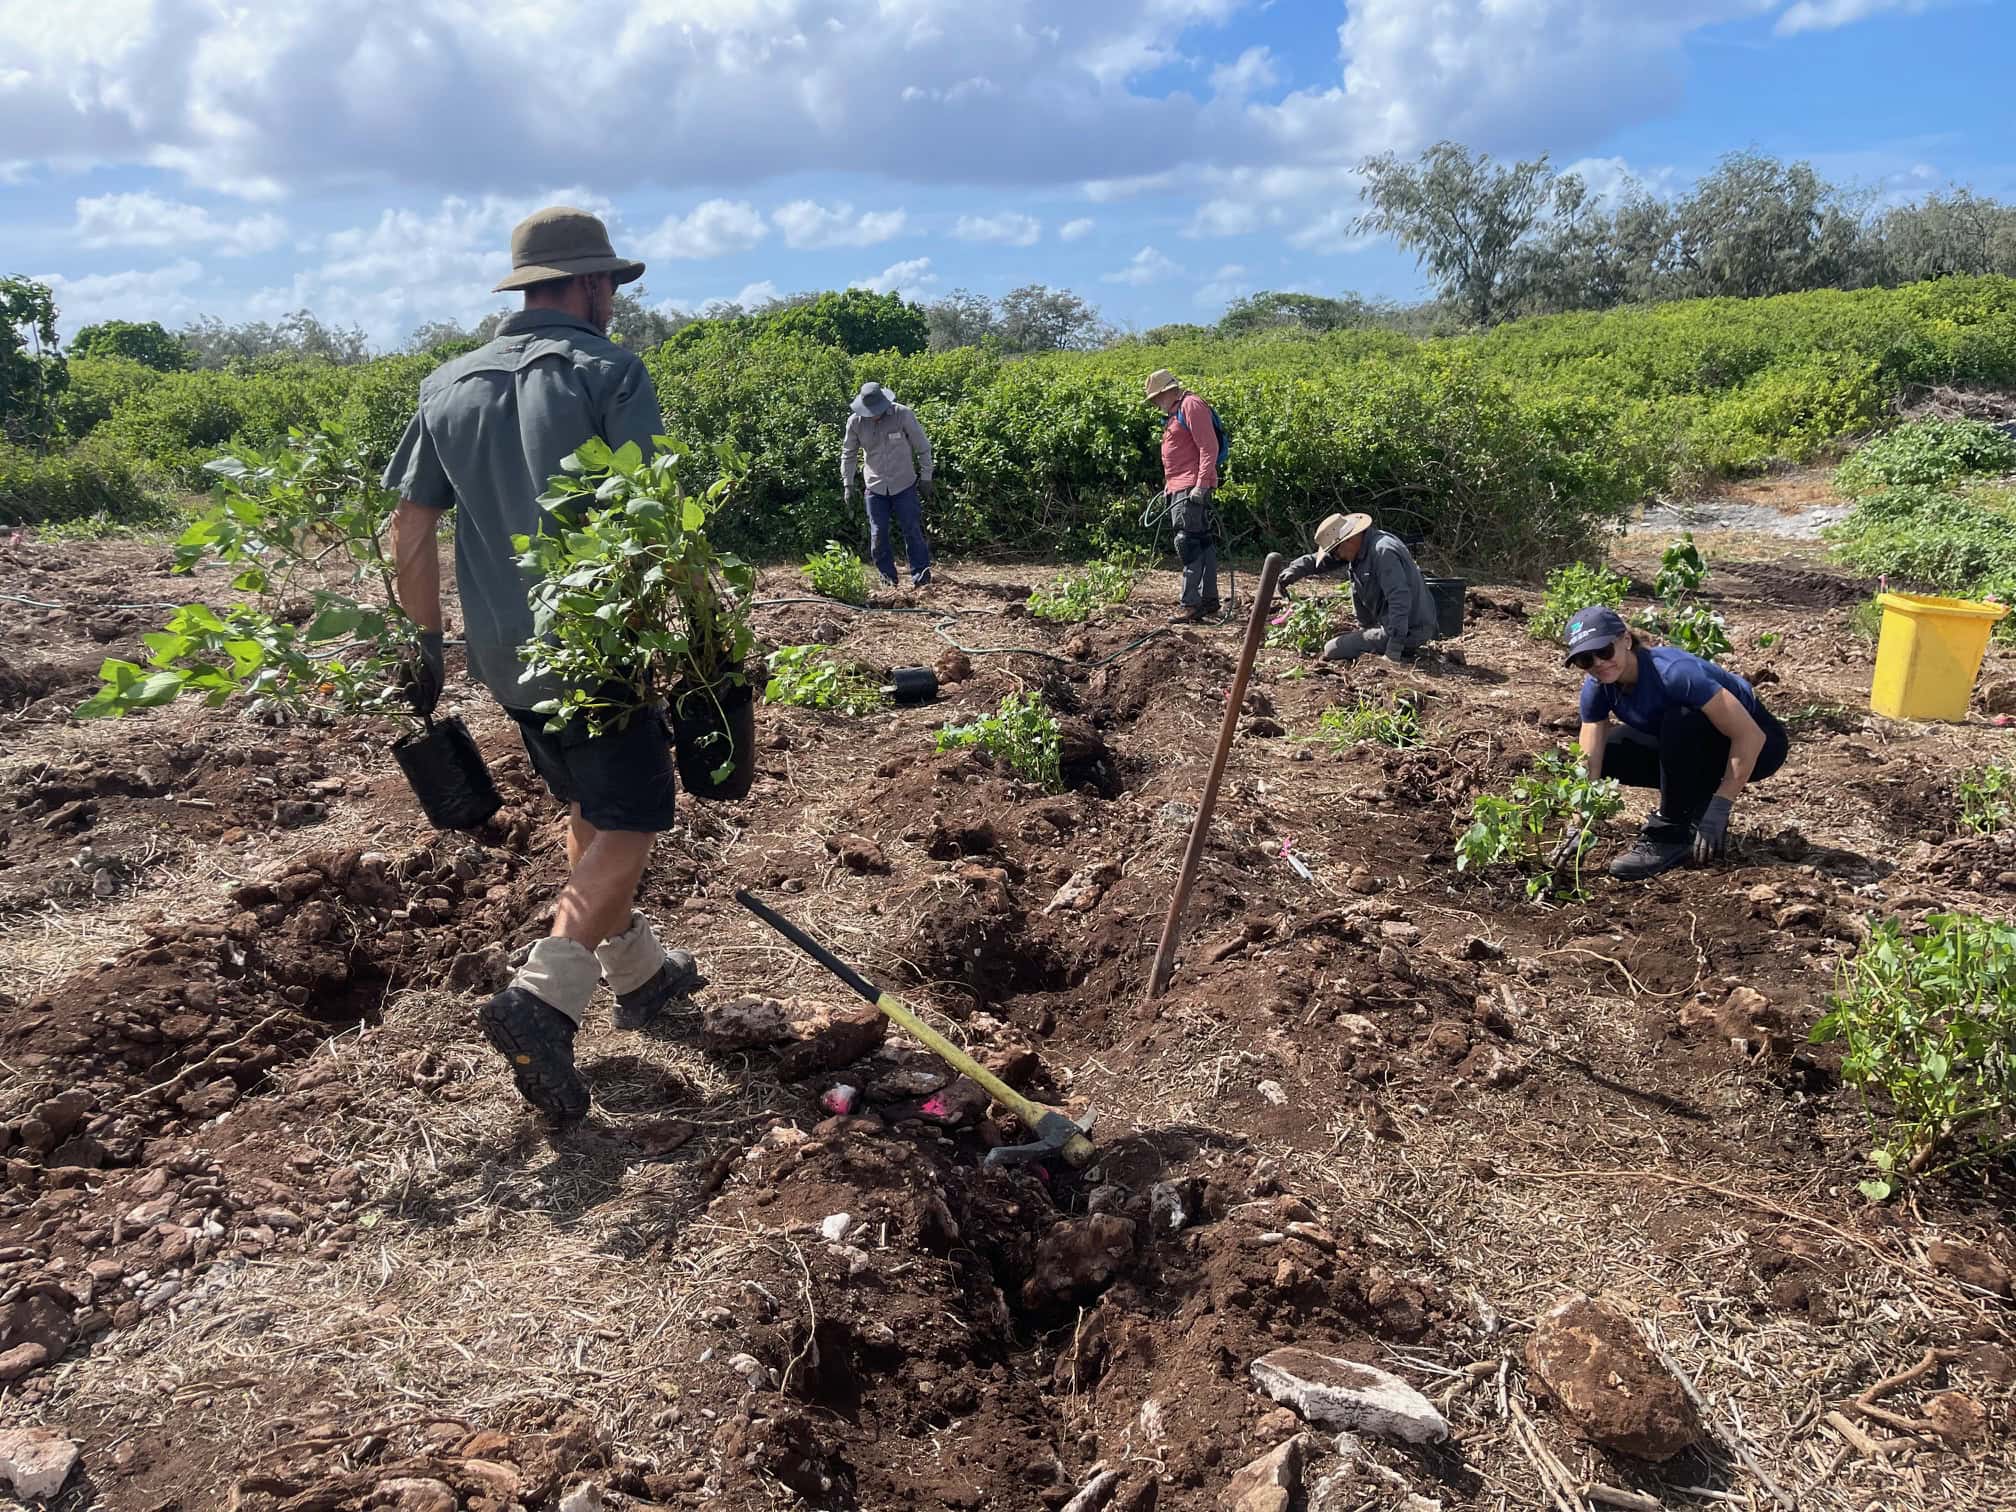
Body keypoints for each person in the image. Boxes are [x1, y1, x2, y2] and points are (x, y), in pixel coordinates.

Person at [384, 206, 704, 1123]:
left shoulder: (446, 385)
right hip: (597, 644)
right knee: (634, 816)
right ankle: (543, 998)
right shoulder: (610, 373)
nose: (615, 301)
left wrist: (423, 646)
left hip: (504, 655)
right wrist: (700, 639)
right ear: (592, 283)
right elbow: (650, 518)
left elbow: (410, 527)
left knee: (588, 805)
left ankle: (639, 972)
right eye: (611, 286)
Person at [1563, 605, 1791, 880]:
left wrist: (1721, 804)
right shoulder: (1599, 686)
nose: (1598, 663)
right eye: (1585, 660)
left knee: (1680, 720)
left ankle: (1670, 834)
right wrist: (1579, 822)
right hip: (1691, 742)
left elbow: (1750, 735)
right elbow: (1590, 756)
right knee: (1611, 751)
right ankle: (1691, 806)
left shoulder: (1674, 673)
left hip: (1759, 745)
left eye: (1604, 651)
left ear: (1625, 640)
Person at [1276, 512, 1439, 663]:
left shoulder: (1383, 552)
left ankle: (1401, 649)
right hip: (1398, 626)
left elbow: (1400, 600)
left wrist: (1393, 651)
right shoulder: (1361, 546)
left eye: (1335, 551)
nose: (1336, 557)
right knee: (1346, 641)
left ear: (1349, 539)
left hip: (1409, 631)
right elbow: (1322, 562)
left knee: (1332, 649)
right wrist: (1294, 570)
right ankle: (1373, 636)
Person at [1144, 368, 1221, 623]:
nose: (1156, 403)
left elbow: (1208, 446)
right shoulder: (1175, 411)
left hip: (1190, 486)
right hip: (1179, 485)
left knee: (1188, 541)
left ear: (1167, 392)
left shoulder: (1191, 405)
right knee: (1201, 540)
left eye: (1156, 398)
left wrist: (1201, 485)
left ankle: (1191, 604)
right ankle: (1208, 600)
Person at [840, 381, 934, 589]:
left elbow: (923, 447)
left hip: (904, 484)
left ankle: (922, 577)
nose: (874, 415)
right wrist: (848, 484)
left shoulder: (903, 414)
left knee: (912, 530)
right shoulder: (855, 422)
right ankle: (888, 580)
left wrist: (926, 476)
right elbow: (848, 455)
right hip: (875, 485)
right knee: (878, 533)